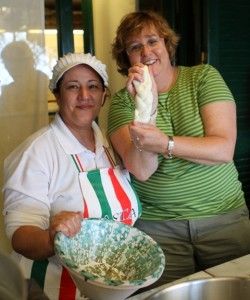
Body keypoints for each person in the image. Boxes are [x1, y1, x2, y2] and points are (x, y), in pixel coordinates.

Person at [107, 10, 250, 287]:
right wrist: (145, 107)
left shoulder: (203, 78)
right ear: (127, 59)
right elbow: (142, 170)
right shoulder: (122, 103)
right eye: (135, 47)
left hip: (224, 218)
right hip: (159, 228)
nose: (146, 51)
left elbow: (222, 149)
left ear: (166, 44)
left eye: (152, 41)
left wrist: (166, 144)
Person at [3, 52, 141, 300]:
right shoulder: (35, 153)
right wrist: (50, 236)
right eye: (73, 87)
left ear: (103, 96)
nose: (84, 96)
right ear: (57, 95)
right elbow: (20, 236)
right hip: (54, 289)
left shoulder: (111, 146)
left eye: (93, 87)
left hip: (111, 287)